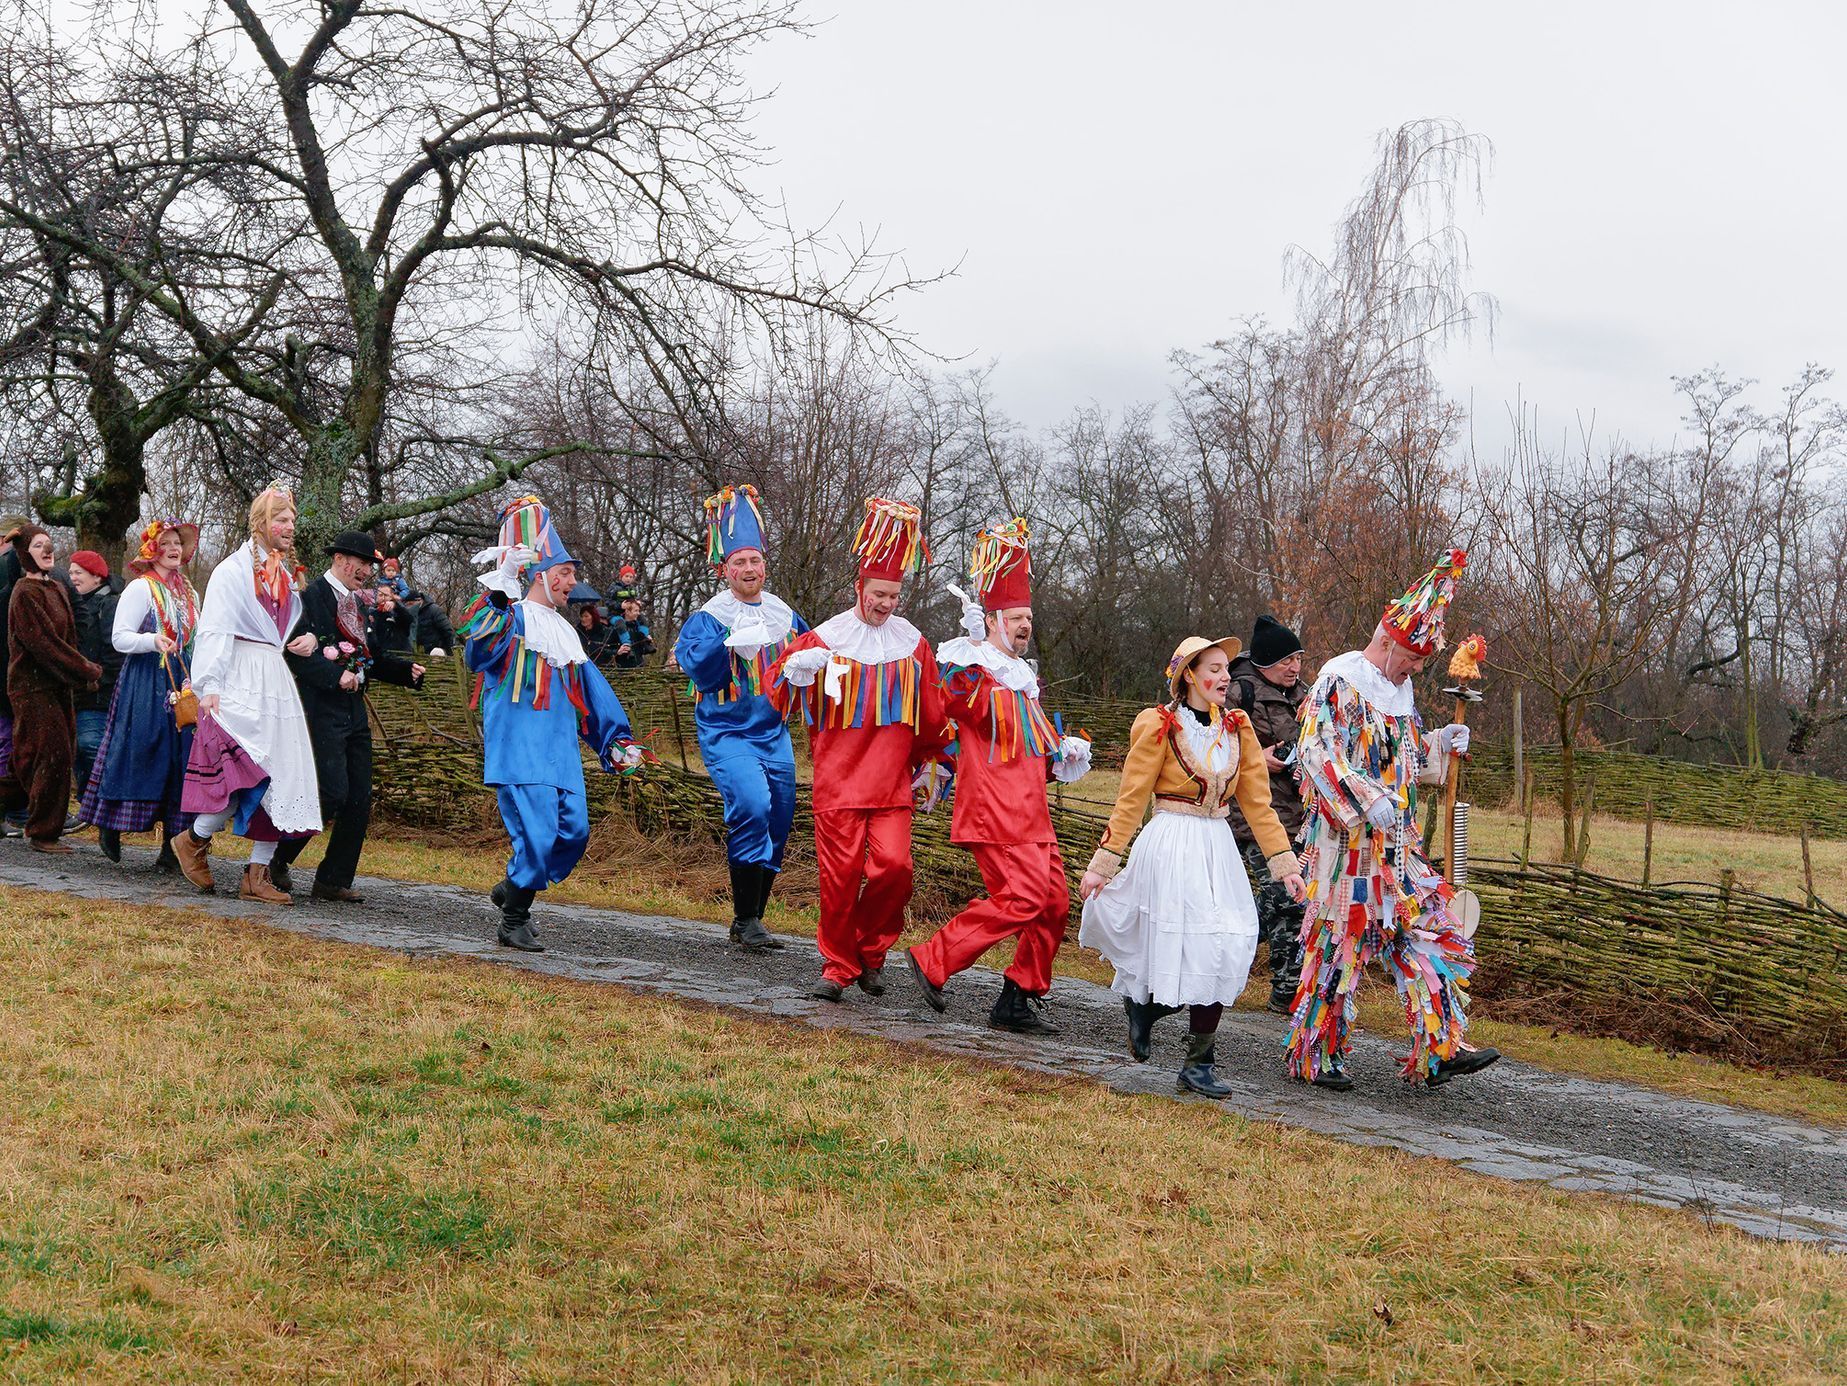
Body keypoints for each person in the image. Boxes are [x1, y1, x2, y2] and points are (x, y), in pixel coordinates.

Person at [1284, 549, 1498, 1091]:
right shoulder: (1338, 680)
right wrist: (1363, 798)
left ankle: (1442, 1047)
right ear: (1388, 642)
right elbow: (1316, 754)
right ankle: (1318, 1053)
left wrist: (1439, 747)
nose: (1418, 670)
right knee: (1339, 944)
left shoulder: (1400, 691)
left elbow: (1404, 766)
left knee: (1432, 928)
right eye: (1413, 659)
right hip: (1346, 847)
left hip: (1398, 848)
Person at [1077, 635, 1306, 1098]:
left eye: (1226, 669)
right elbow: (1131, 798)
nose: (1225, 678)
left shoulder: (1238, 727)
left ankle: (1185, 1048)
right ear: (1189, 676)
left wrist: (1286, 866)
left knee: (1229, 940)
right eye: (1216, 669)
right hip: (1172, 841)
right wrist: (1104, 862)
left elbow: (1259, 805)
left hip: (1217, 843)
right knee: (1188, 946)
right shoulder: (1159, 725)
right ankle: (1155, 1015)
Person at [904, 519, 1092, 1034]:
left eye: (1028, 617)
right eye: (1015, 617)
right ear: (991, 620)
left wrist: (1061, 755)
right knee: (1025, 898)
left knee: (1053, 903)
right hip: (995, 811)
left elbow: (1022, 746)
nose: (1025, 625)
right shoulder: (974, 668)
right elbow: (956, 703)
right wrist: (969, 652)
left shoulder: (1023, 680)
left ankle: (1018, 997)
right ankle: (934, 959)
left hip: (1030, 811)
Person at [771, 496, 948, 1003]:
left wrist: (941, 756)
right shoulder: (823, 638)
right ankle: (837, 966)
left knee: (895, 868)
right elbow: (776, 691)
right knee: (841, 878)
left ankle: (872, 952)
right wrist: (793, 675)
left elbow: (933, 713)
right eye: (878, 593)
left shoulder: (913, 643)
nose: (885, 603)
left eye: (893, 595)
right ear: (859, 588)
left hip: (892, 782)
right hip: (839, 781)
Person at [459, 495, 645, 952]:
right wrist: (499, 593)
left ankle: (514, 884)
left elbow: (593, 694)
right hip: (519, 750)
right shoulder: (510, 618)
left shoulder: (565, 634)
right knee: (538, 835)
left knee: (574, 834)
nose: (571, 582)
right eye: (564, 573)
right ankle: (515, 917)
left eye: (572, 575)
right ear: (540, 574)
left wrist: (615, 740)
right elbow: (478, 652)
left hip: (560, 754)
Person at [671, 484, 808, 953]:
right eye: (739, 563)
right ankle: (746, 918)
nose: (749, 570)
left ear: (765, 564)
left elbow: (812, 658)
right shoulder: (711, 615)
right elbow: (697, 668)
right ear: (723, 569)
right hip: (726, 730)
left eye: (755, 561)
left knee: (779, 817)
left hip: (774, 732)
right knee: (751, 804)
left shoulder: (784, 614)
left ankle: (752, 918)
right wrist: (727, 644)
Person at [173, 483, 323, 904]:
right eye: (281, 519)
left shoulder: (286, 574)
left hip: (274, 677)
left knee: (284, 773)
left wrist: (304, 640)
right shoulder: (232, 570)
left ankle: (257, 874)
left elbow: (280, 626)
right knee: (242, 771)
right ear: (261, 523)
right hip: (238, 676)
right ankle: (194, 839)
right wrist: (209, 686)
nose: (289, 526)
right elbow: (216, 628)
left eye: (292, 519)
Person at [269, 532, 425, 903]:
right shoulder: (309, 599)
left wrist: (406, 673)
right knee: (330, 792)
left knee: (359, 797)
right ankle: (275, 858)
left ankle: (332, 879)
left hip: (354, 712)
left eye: (371, 565)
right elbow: (293, 655)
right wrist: (333, 675)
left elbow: (367, 658)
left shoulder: (360, 604)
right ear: (340, 559)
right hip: (319, 709)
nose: (368, 571)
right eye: (363, 564)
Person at [81, 518, 202, 869]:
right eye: (165, 543)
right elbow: (120, 638)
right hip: (146, 680)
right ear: (152, 549)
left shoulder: (189, 594)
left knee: (181, 757)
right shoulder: (140, 589)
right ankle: (110, 824)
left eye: (178, 543)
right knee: (140, 750)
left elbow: (201, 636)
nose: (174, 549)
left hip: (183, 681)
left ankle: (172, 846)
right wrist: (151, 641)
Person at [1226, 614, 1311, 1013]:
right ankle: (1286, 990)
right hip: (1252, 814)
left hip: (1299, 815)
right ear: (1263, 663)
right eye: (1285, 661)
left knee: (1291, 898)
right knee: (1286, 895)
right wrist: (1257, 759)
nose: (1294, 667)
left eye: (1298, 659)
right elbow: (1210, 748)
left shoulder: (1306, 695)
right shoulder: (1235, 691)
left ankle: (1223, 941)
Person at [0, 525, 102, 851]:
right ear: (23, 554)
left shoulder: (55, 587)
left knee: (25, 760)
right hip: (31, 689)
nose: (47, 551)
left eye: (48, 545)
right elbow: (45, 645)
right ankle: (43, 832)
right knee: (53, 756)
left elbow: (68, 639)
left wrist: (77, 676)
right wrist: (85, 669)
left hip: (57, 687)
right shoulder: (24, 593)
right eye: (38, 546)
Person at [67, 549, 123, 802]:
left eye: (78, 573)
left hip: (99, 695)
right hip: (77, 694)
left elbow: (116, 652)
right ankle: (88, 804)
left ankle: (98, 802)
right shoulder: (77, 604)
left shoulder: (109, 605)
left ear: (97, 577)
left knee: (91, 745)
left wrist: (98, 681)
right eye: (70, 573)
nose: (73, 578)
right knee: (77, 748)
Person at [608, 595, 654, 670]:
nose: (638, 614)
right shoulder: (616, 629)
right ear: (627, 611)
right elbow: (604, 650)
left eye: (639, 611)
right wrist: (617, 652)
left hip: (640, 669)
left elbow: (642, 651)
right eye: (636, 611)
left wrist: (647, 642)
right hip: (622, 671)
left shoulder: (638, 628)